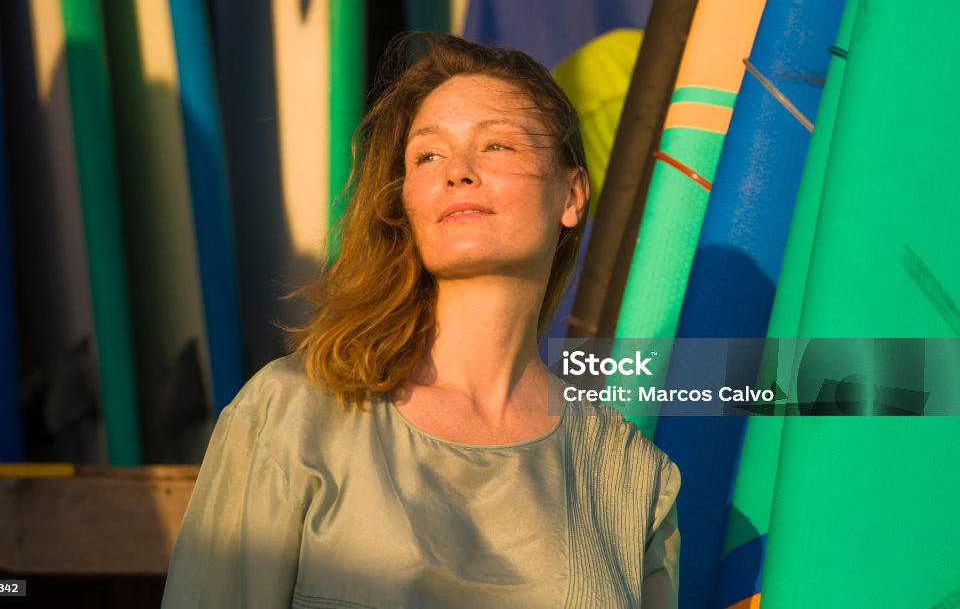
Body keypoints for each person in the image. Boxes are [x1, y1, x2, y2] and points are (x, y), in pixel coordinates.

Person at [161, 34, 680, 608]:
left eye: (498, 146)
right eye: (427, 156)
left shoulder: (631, 474)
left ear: (572, 195)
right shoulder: (291, 416)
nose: (457, 171)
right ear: (407, 201)